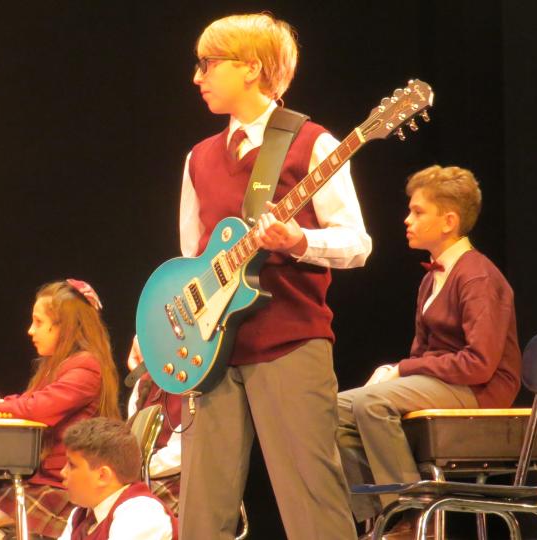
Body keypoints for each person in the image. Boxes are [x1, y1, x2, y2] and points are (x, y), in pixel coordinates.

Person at [176, 13, 371, 539]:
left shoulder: (311, 144)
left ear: (251, 68)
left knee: (312, 501)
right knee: (199, 510)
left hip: (289, 340)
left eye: (208, 64)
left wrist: (298, 241)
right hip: (213, 350)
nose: (198, 77)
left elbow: (357, 242)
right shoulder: (199, 158)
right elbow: (191, 255)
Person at [337, 165, 521, 535]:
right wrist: (399, 369)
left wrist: (403, 371)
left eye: (418, 211)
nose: (407, 219)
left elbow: (480, 364)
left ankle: (409, 516)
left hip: (480, 392)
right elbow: (422, 354)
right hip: (449, 384)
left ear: (449, 220)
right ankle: (380, 516)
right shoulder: (430, 279)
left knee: (372, 402)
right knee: (334, 409)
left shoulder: (477, 276)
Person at [0, 280, 121, 540]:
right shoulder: (59, 366)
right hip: (44, 480)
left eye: (39, 322)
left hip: (66, 485)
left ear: (65, 327)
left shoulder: (86, 366)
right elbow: (29, 400)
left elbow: (39, 407)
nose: (30, 331)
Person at [57, 417, 177, 540]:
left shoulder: (141, 512)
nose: (63, 472)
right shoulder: (79, 515)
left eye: (71, 465)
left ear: (102, 476)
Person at [126, 338, 181, 516]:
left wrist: (141, 470)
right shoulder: (144, 382)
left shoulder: (193, 385)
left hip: (178, 476)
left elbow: (183, 453)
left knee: (130, 508)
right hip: (142, 471)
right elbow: (134, 435)